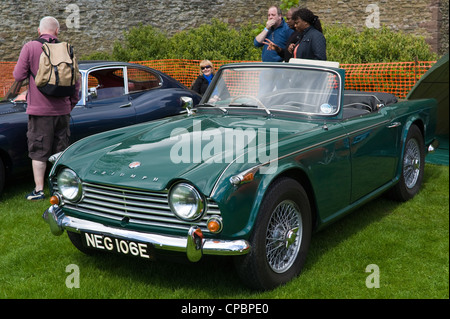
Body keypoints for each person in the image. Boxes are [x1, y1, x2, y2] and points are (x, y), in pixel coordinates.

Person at [13, 16, 80, 200]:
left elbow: (18, 75)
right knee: (60, 150)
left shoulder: (30, 47)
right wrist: (70, 105)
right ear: (57, 31)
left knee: (39, 151)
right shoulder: (67, 48)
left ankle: (39, 190)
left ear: (38, 30)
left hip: (40, 111)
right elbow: (76, 81)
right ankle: (61, 189)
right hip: (63, 111)